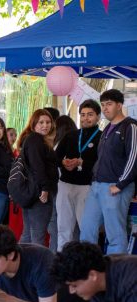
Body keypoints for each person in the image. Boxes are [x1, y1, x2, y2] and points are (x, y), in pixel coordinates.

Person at [79, 89, 137, 254]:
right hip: (97, 185)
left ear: (119, 105)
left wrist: (120, 184)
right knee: (87, 231)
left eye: (109, 104)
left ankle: (116, 274)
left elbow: (134, 157)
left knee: (115, 235)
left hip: (115, 186)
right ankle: (86, 271)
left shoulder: (130, 126)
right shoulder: (107, 128)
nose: (105, 108)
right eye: (103, 105)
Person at [55, 100, 101, 251]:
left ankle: (89, 265)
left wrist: (82, 162)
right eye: (82, 115)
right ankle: (63, 262)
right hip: (65, 185)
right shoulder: (71, 135)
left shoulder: (102, 137)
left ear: (98, 117)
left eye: (90, 115)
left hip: (87, 187)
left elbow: (102, 163)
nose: (85, 118)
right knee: (63, 227)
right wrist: (64, 162)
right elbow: (55, 157)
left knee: (87, 229)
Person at [16, 109, 58, 246]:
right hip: (39, 193)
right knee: (37, 236)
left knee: (28, 234)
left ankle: (20, 265)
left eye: (48, 122)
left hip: (32, 192)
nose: (45, 125)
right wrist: (45, 189)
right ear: (34, 124)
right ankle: (36, 266)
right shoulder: (36, 139)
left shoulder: (34, 139)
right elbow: (37, 166)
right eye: (41, 122)